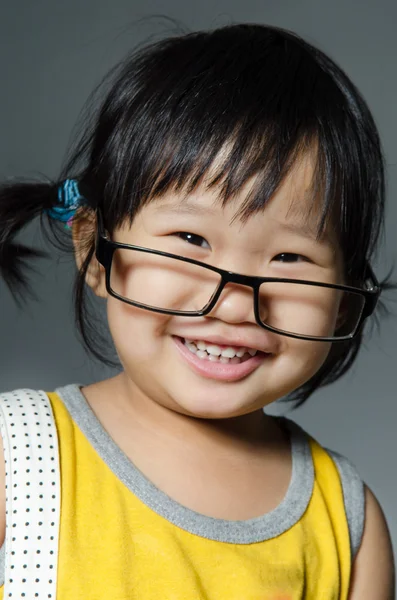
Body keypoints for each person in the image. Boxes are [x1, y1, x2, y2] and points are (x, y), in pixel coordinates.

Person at [0, 22, 394, 600]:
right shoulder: (18, 456)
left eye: (289, 257)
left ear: (342, 301)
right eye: (191, 239)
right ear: (94, 250)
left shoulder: (347, 523)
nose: (234, 303)